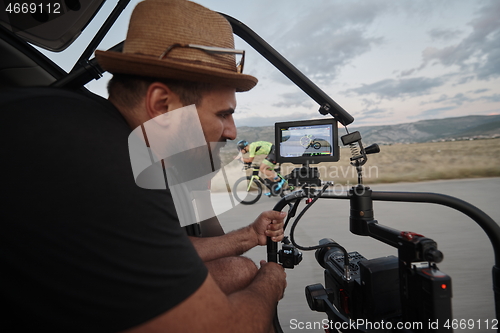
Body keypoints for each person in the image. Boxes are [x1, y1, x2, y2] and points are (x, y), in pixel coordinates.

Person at [1, 0, 287, 332]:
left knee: (238, 270)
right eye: (223, 113)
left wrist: (249, 236)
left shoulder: (90, 130)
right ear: (161, 105)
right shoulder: (104, 164)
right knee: (246, 276)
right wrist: (270, 281)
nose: (232, 131)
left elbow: (157, 247)